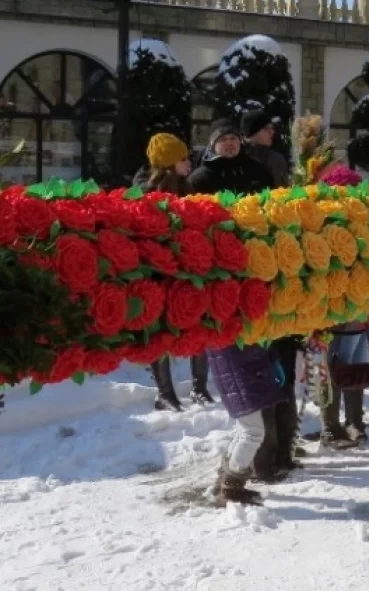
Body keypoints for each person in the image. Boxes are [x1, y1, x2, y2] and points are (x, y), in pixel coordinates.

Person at [189, 120, 302, 479]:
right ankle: (262, 459)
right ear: (213, 145)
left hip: (267, 274)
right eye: (222, 139)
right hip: (230, 279)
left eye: (233, 139)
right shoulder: (201, 180)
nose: (229, 144)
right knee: (257, 375)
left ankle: (284, 450)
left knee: (282, 371)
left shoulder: (258, 171)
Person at [132, 132, 213, 411]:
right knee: (160, 330)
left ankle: (200, 387)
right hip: (156, 270)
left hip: (187, 267)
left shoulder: (187, 188)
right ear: (168, 163)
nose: (188, 163)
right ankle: (165, 393)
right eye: (182, 158)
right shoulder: (145, 192)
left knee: (196, 320)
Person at [206, 343, 287, 505]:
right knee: (253, 433)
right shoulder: (227, 331)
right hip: (239, 374)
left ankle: (225, 477)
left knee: (244, 431)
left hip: (239, 371)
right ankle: (231, 486)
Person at [241, 109, 290, 186]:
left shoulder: (276, 159)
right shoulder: (236, 157)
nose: (272, 132)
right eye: (266, 128)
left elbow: (284, 190)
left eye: (272, 128)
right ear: (252, 132)